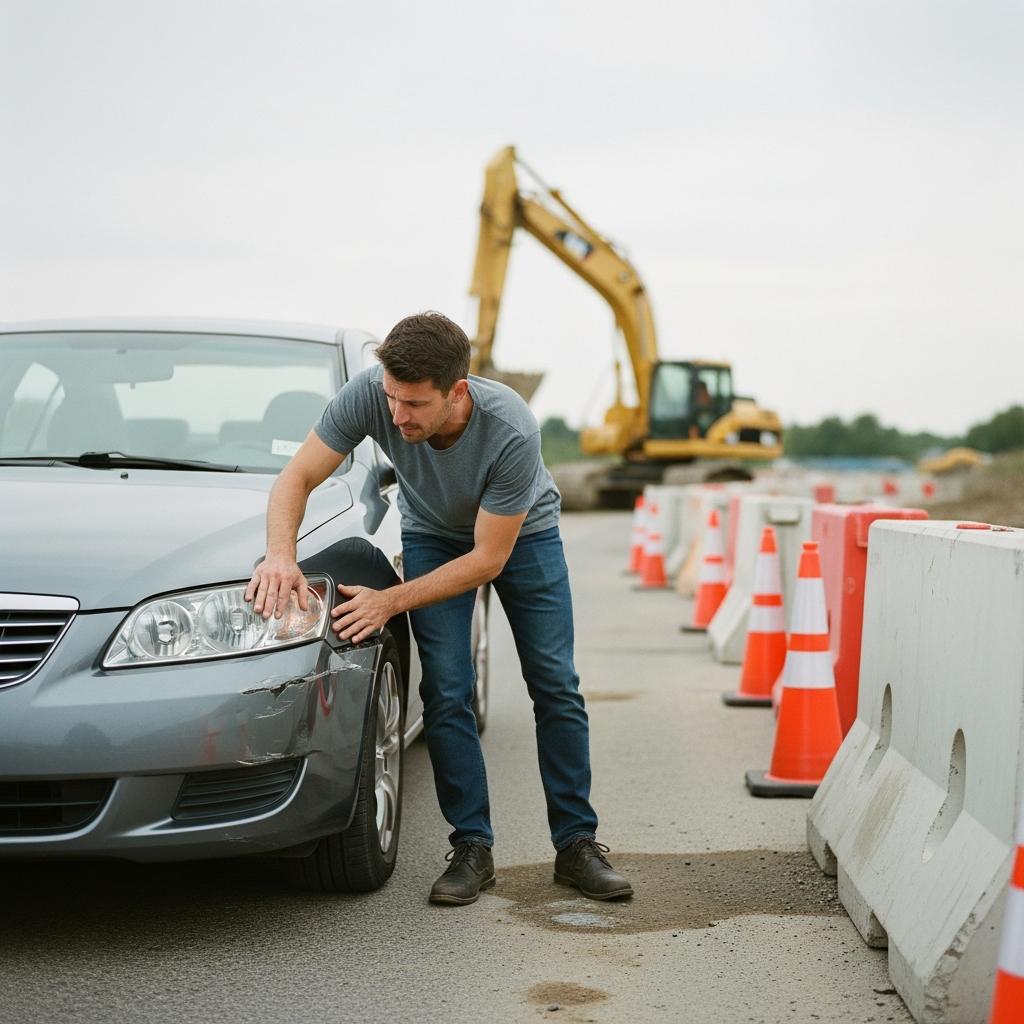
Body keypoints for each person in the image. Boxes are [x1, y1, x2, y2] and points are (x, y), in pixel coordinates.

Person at [245, 311, 632, 906]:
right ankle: (471, 848)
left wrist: (389, 600)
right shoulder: (372, 394)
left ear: (457, 392)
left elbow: (486, 561)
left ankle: (576, 843)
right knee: (446, 690)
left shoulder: (512, 429)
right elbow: (296, 476)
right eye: (392, 398)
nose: (397, 417)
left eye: (414, 405)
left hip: (519, 537)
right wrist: (279, 555)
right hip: (430, 531)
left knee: (555, 683)